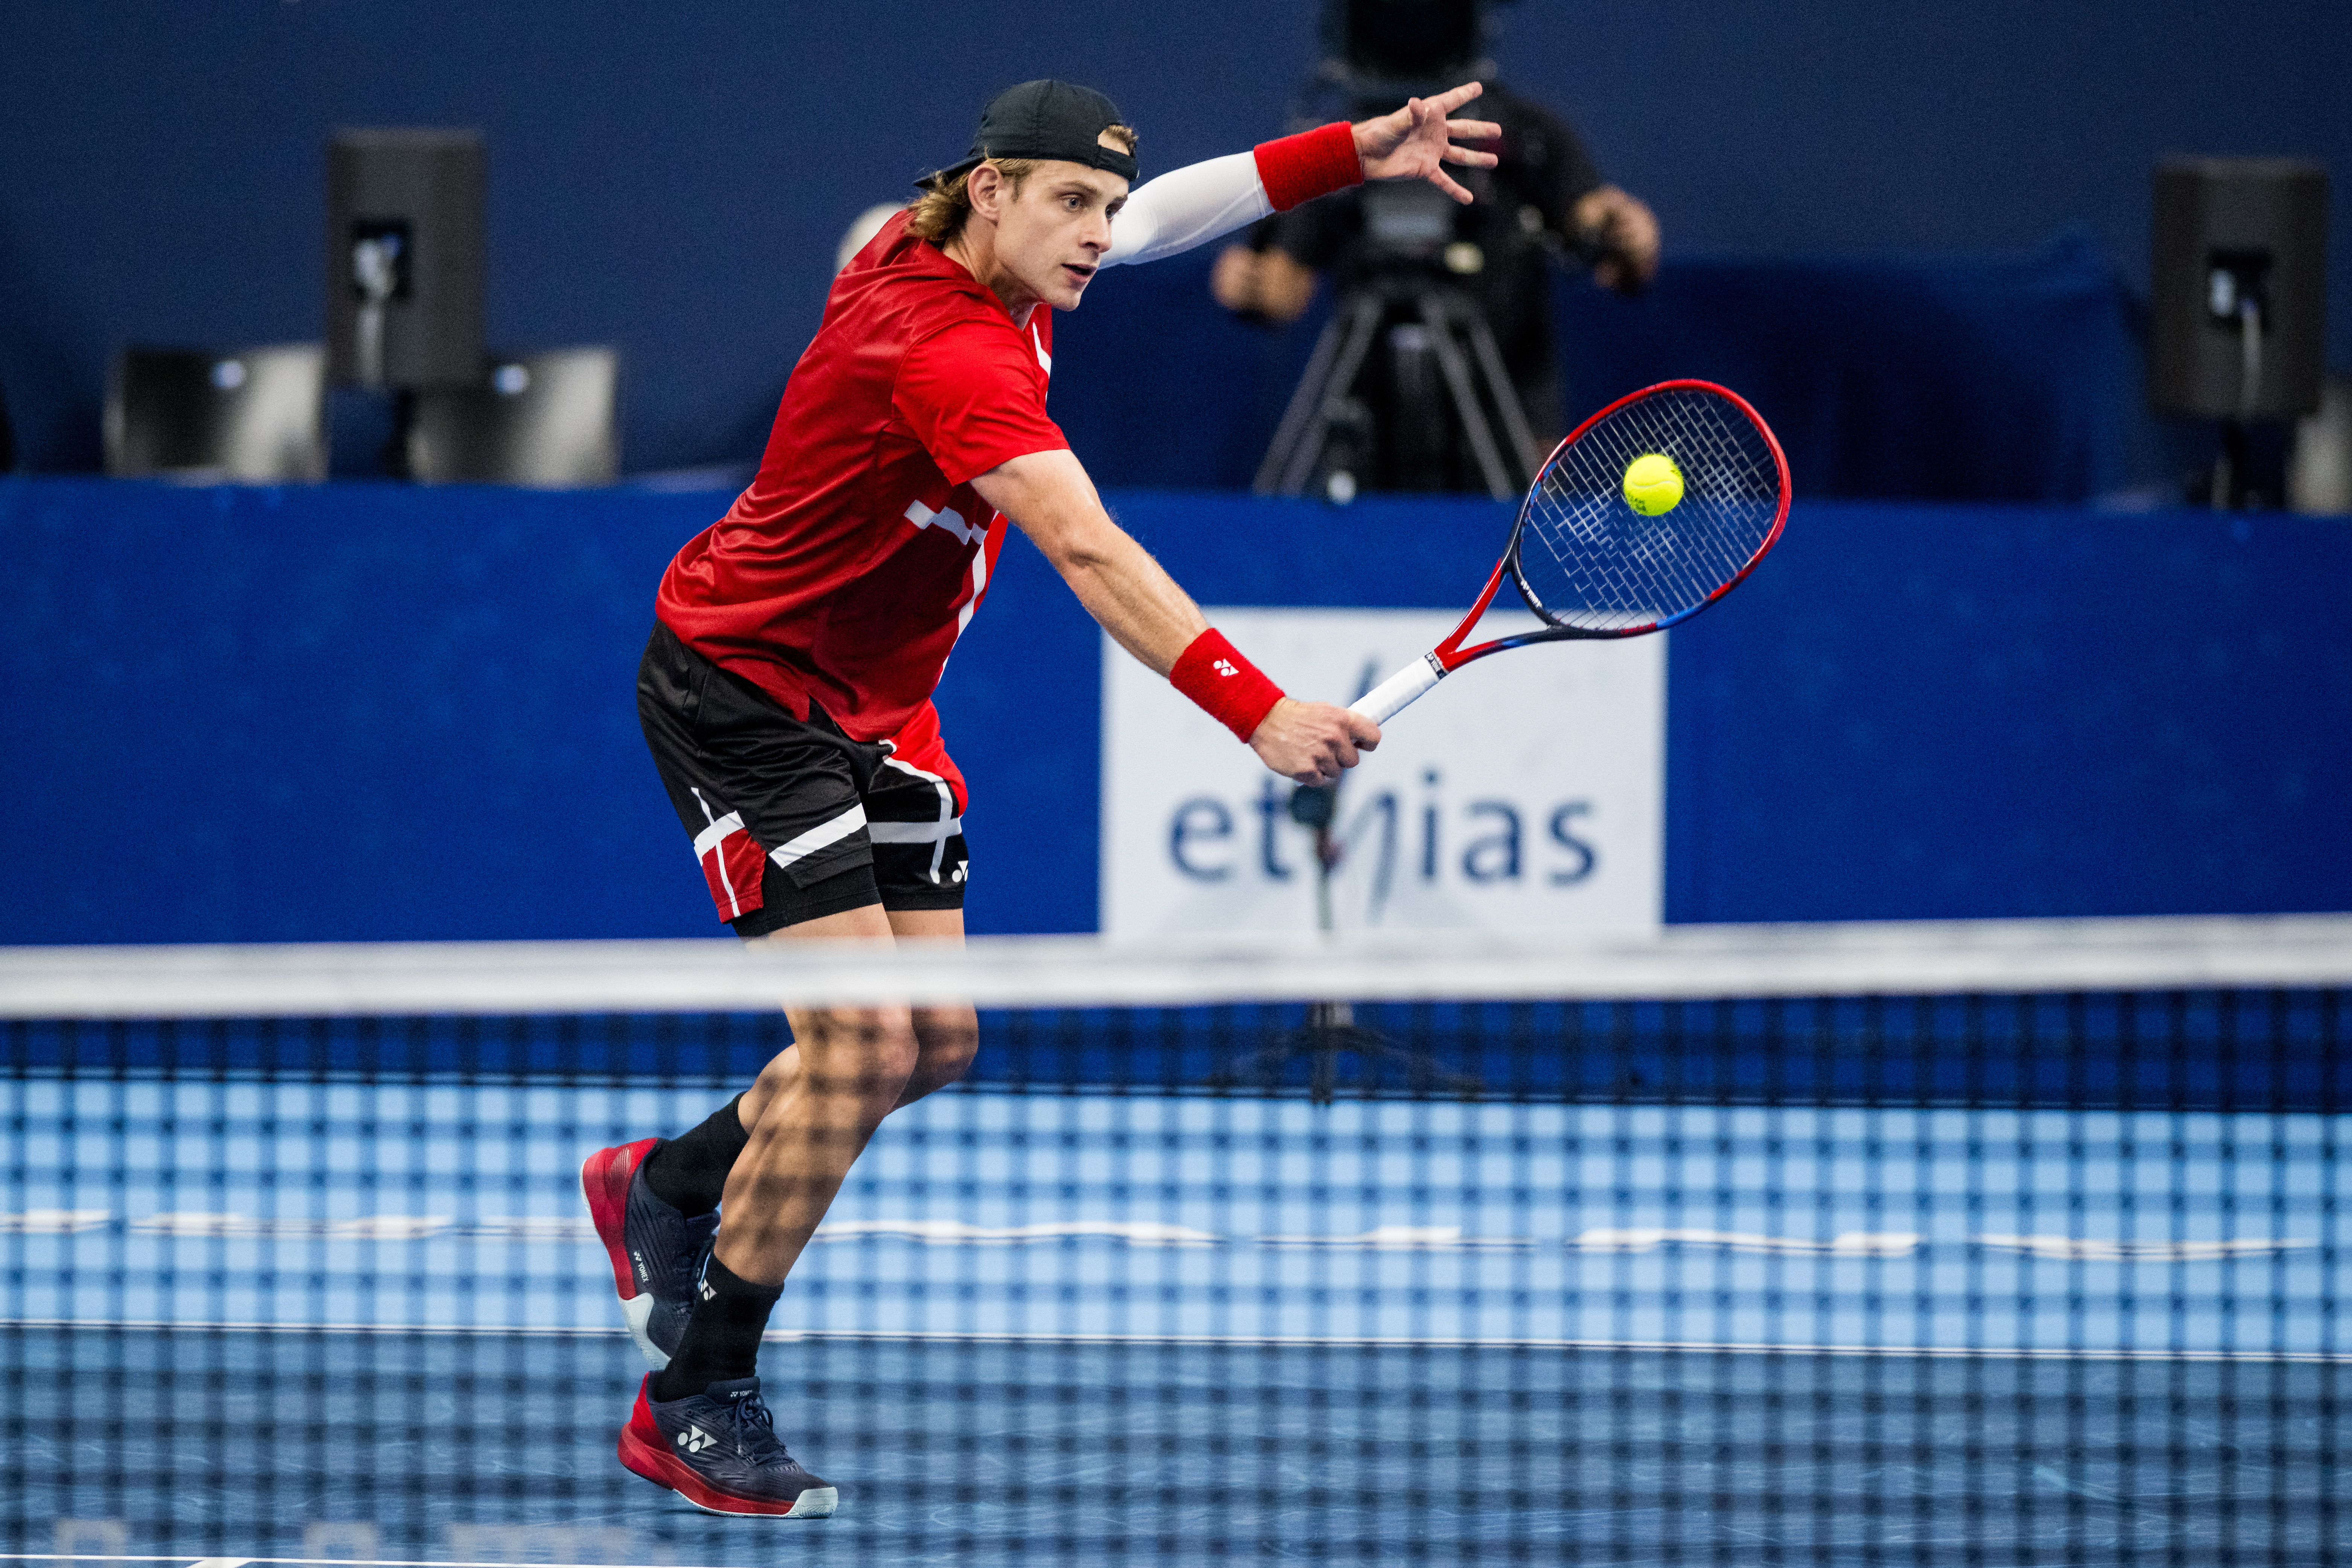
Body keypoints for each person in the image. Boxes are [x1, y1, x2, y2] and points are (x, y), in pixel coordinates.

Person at [578, 76, 1501, 1517]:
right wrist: (1255, 708)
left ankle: (674, 1182)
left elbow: (1173, 212)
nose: (1099, 234)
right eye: (1071, 201)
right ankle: (694, 1390)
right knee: (865, 1042)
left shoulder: (976, 244)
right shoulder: (942, 348)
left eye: (1104, 207)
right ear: (992, 189)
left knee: (933, 1036)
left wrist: (1347, 153)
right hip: (751, 693)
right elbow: (1087, 550)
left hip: (882, 703)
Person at [1213, 78, 1659, 472]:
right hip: (1372, 431)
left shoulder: (1526, 136)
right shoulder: (1347, 143)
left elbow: (1614, 259)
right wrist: (1250, 283)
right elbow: (1283, 291)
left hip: (1511, 422)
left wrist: (1627, 234)